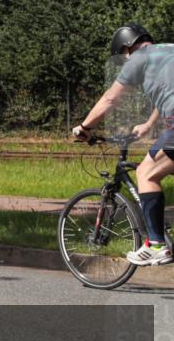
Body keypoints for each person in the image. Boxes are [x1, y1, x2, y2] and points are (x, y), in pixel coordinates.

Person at [72, 24, 174, 266]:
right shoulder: (168, 51)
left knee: (145, 173)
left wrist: (85, 128)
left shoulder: (139, 57)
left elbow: (111, 98)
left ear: (128, 47)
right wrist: (148, 125)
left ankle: (157, 244)